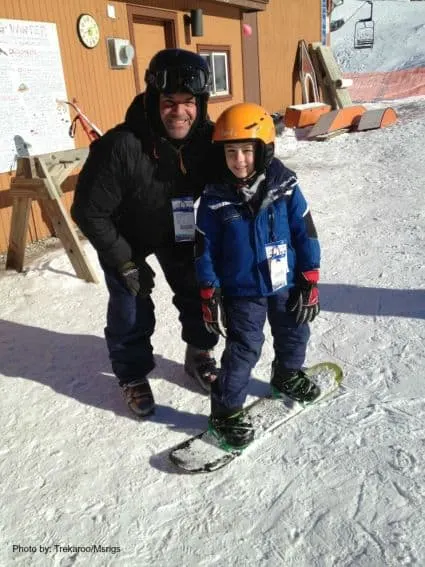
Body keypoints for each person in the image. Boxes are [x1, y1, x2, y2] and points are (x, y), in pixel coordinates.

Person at [71, 48, 219, 418]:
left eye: (189, 102)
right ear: (155, 100)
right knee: (131, 306)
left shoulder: (207, 141)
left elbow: (248, 161)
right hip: (126, 236)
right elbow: (88, 211)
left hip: (177, 225)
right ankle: (132, 373)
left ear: (200, 104)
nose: (179, 111)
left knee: (197, 288)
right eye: (170, 101)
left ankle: (199, 352)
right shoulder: (120, 146)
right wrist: (123, 261)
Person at [195, 102, 321, 449]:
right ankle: (225, 411)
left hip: (285, 282)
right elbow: (203, 249)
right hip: (242, 290)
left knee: (295, 330)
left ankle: (287, 374)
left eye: (247, 151)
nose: (239, 160)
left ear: (263, 151)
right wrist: (208, 290)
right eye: (231, 152)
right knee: (244, 349)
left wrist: (309, 277)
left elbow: (305, 232)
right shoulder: (214, 199)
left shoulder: (286, 187)